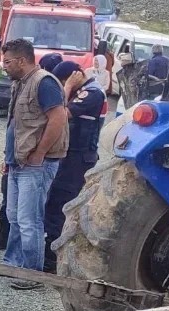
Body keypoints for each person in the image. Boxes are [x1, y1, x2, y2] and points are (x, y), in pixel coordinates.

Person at [0, 38, 69, 289]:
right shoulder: (21, 83)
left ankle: (32, 275)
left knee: (30, 220)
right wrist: (8, 158)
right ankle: (12, 263)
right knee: (15, 216)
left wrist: (40, 152)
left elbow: (58, 118)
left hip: (36, 164)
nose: (3, 66)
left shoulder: (44, 82)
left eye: (7, 61)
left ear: (21, 60)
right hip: (19, 162)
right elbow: (16, 125)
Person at [44, 61, 107, 274]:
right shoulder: (85, 90)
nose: (63, 85)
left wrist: (68, 86)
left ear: (75, 75)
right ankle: (50, 250)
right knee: (54, 202)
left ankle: (53, 258)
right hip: (70, 155)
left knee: (61, 203)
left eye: (63, 80)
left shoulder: (92, 93)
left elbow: (61, 113)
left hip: (78, 157)